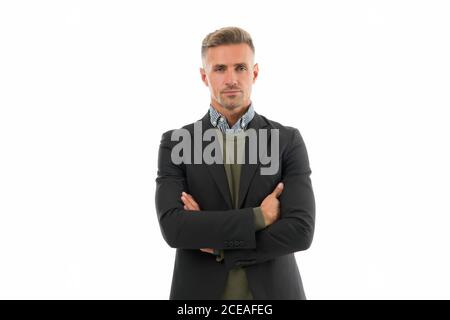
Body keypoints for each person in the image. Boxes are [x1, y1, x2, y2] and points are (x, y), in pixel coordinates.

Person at [155, 26, 315, 300]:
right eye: (220, 69)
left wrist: (218, 244)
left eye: (240, 67)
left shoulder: (286, 140)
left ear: (254, 73)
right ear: (204, 76)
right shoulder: (176, 143)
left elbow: (300, 231)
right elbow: (174, 228)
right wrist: (259, 217)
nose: (231, 79)